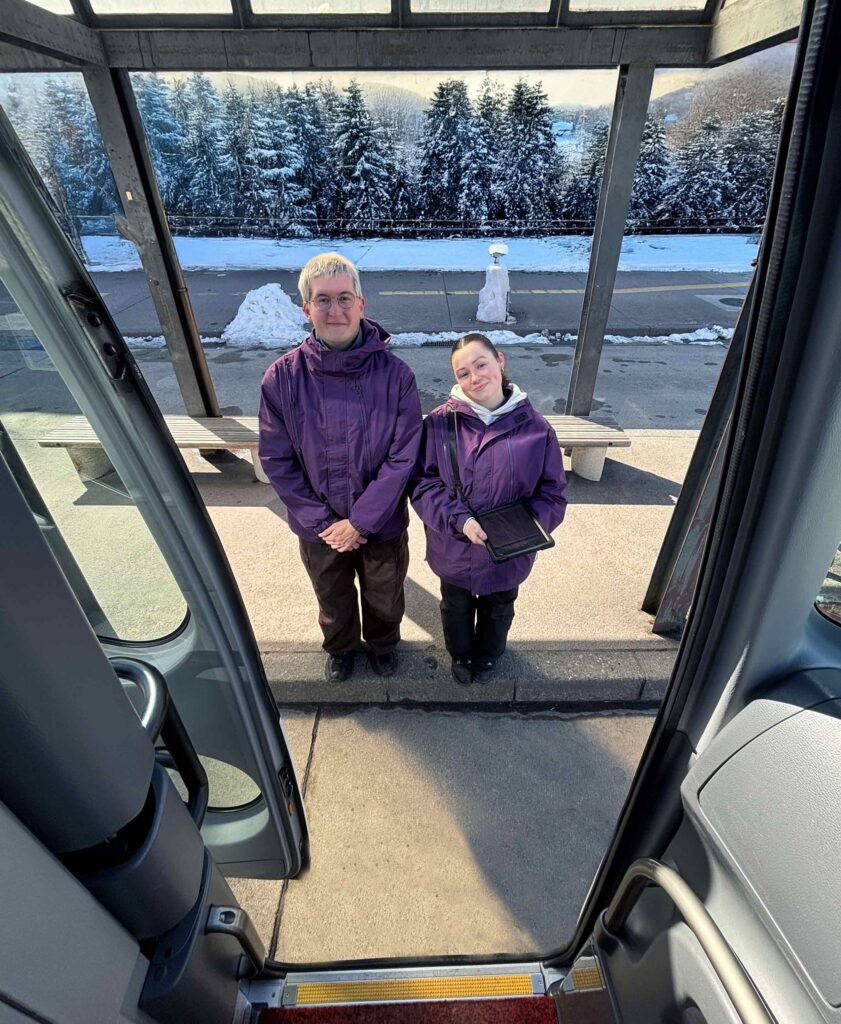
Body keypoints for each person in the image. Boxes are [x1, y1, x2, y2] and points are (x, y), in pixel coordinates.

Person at [258, 253, 422, 683]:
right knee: (331, 596)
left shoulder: (397, 376)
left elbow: (403, 456)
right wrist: (325, 522)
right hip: (320, 528)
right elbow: (277, 459)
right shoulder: (281, 379)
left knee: (384, 595)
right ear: (306, 309)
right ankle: (341, 647)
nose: (336, 310)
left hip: (382, 525)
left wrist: (362, 521)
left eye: (345, 298)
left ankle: (384, 643)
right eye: (323, 300)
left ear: (362, 305)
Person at [410, 332, 567, 685]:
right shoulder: (437, 423)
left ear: (500, 361)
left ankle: (491, 655)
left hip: (508, 554)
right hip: (455, 546)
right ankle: (461, 655)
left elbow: (553, 493)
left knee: (499, 607)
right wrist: (459, 520)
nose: (474, 377)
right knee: (456, 606)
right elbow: (422, 483)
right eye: (463, 373)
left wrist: (523, 530)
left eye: (481, 364)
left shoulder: (537, 429)